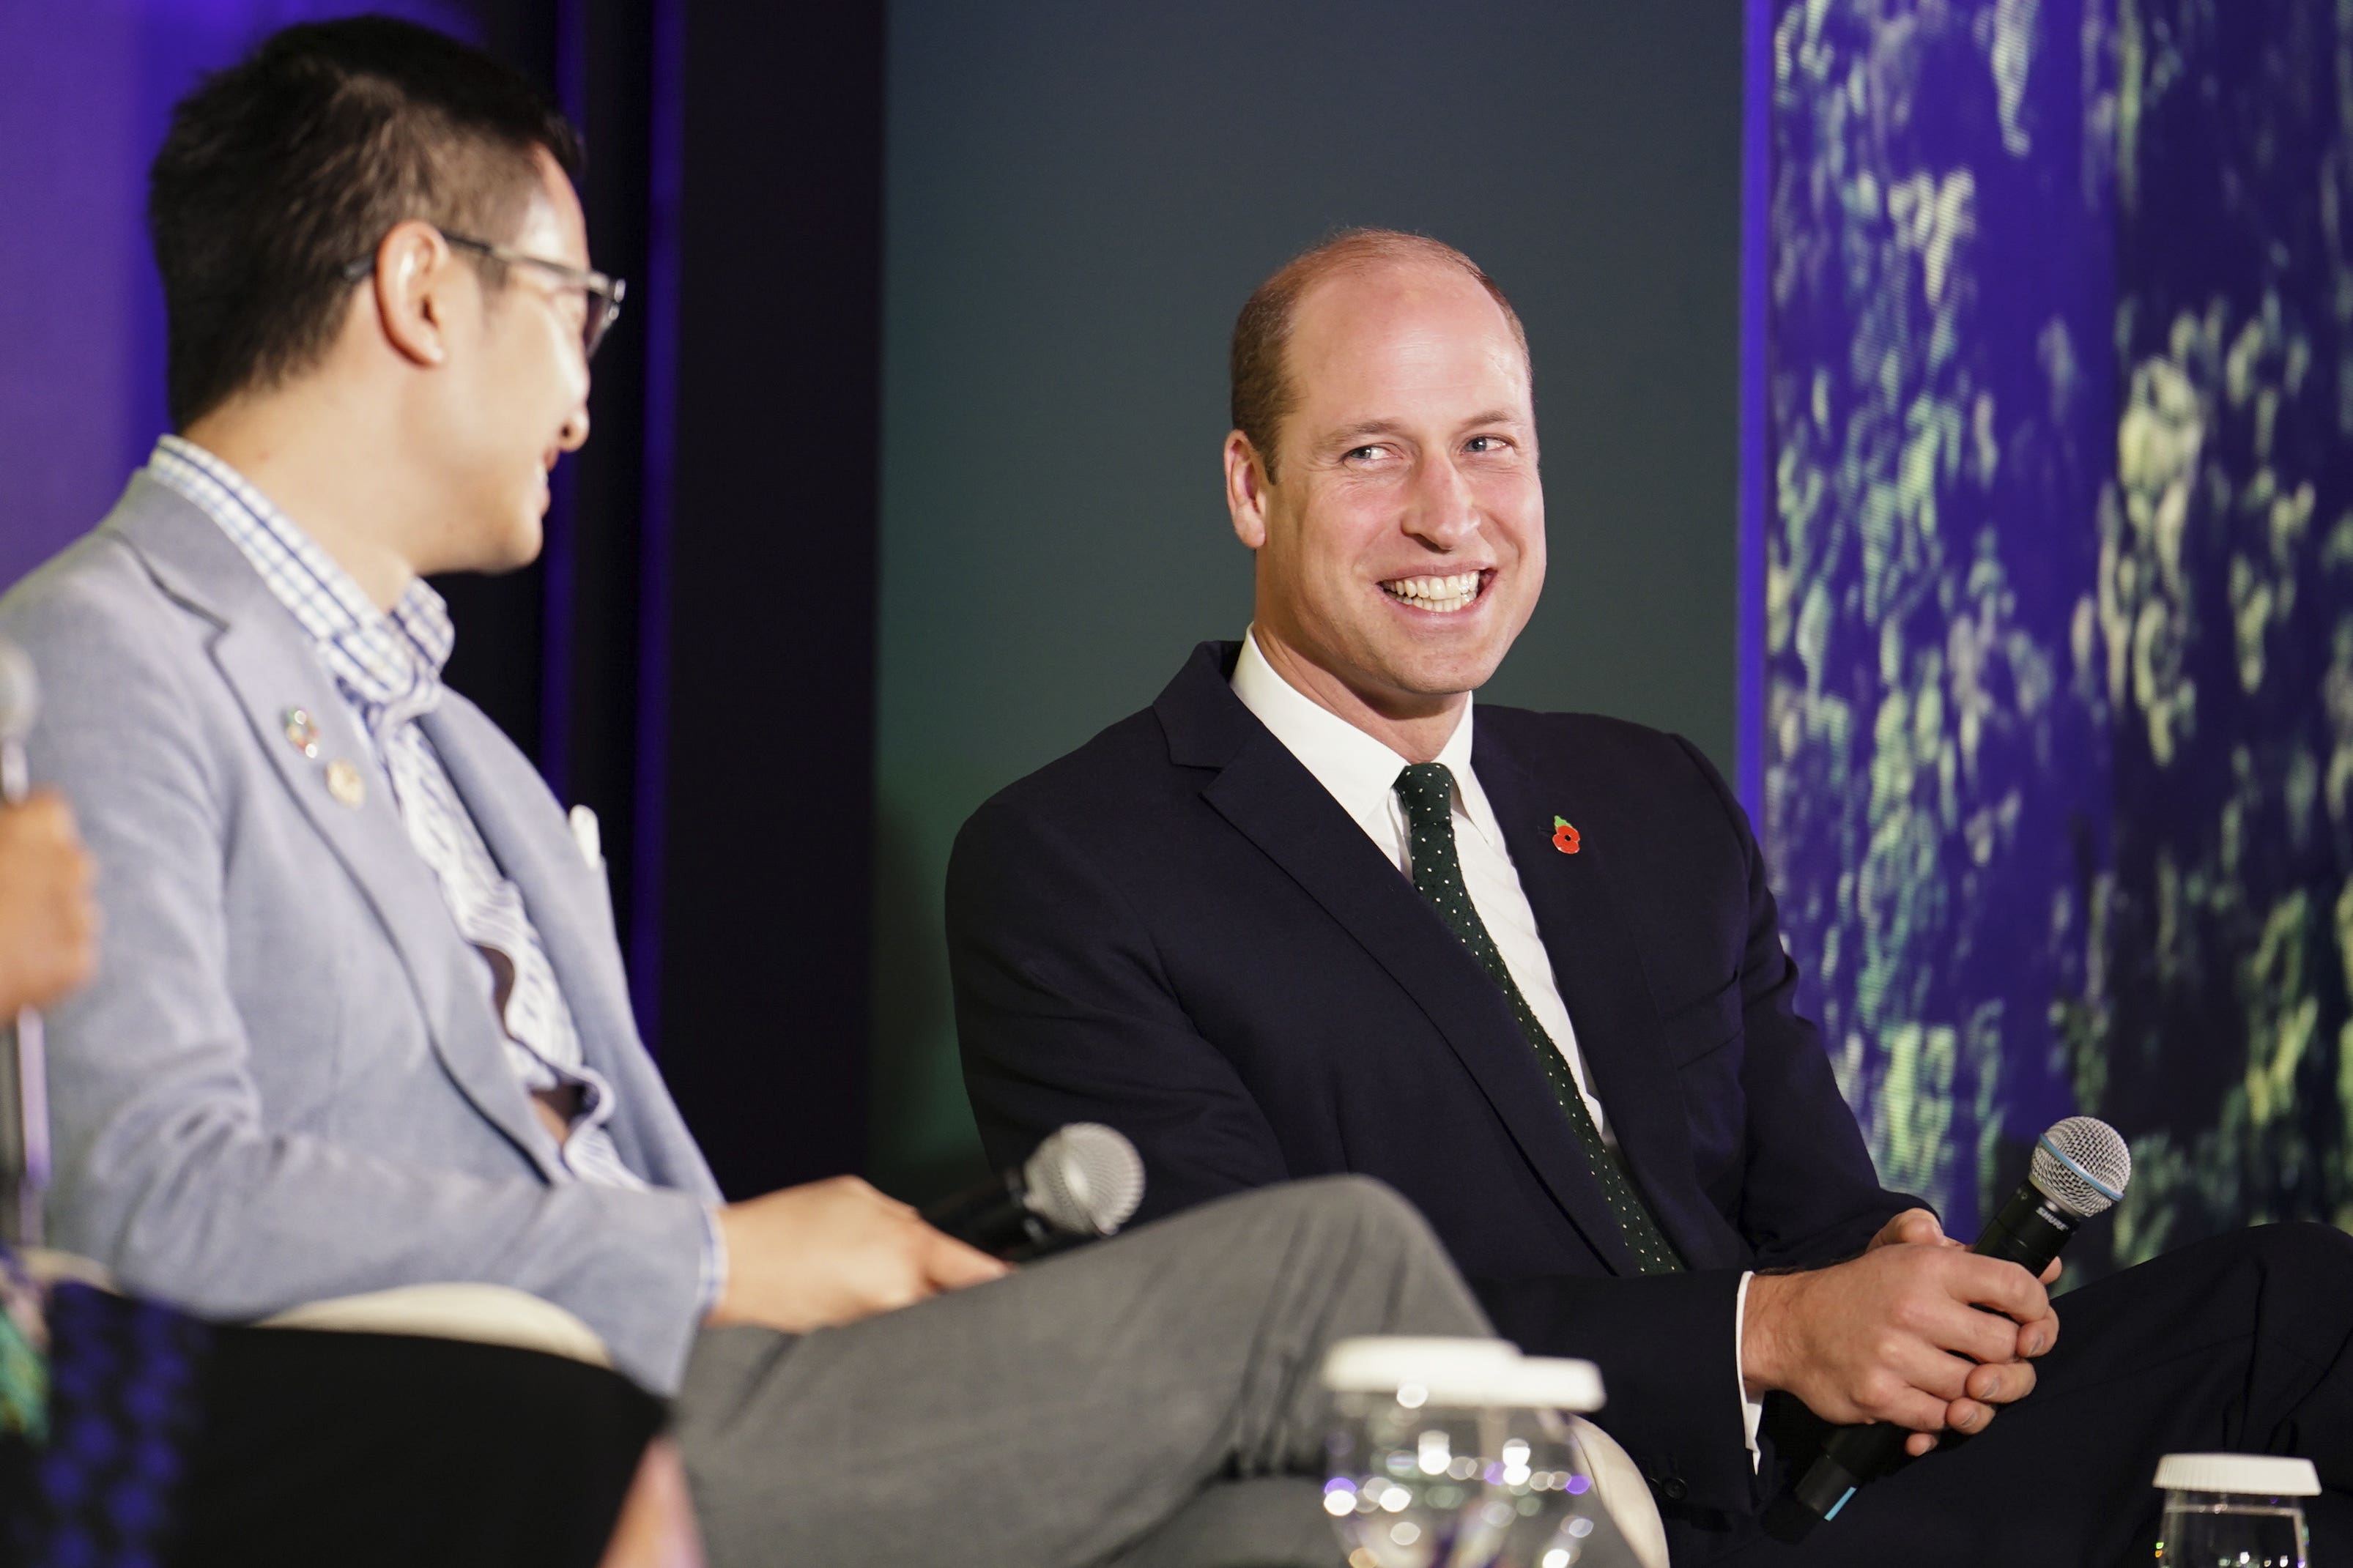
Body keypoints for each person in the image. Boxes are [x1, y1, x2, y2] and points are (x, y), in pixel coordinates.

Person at [0, 24, 1525, 1568]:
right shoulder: (103, 650)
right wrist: (709, 1254)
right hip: (507, 1428)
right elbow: (146, 1204)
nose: (585, 395)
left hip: (699, 1386)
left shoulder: (461, 750)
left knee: (1298, 1536)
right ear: (420, 292)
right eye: (571, 305)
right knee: (1328, 1258)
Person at [947, 228, 2353, 1566]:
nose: (1449, 514)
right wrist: (1764, 1334)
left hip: (1851, 1484)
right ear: (1253, 487)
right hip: (1534, 1515)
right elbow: (1237, 1342)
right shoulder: (1077, 863)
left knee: (2296, 1310)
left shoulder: (1653, 801)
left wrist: (1900, 1273)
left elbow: (1814, 1211)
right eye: (1373, 452)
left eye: (1488, 444)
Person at [0, 791, 685, 1568]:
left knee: (563, 1434)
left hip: (52, 1336)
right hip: (53, 1402)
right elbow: (148, 1193)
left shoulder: (477, 756)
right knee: (567, 1441)